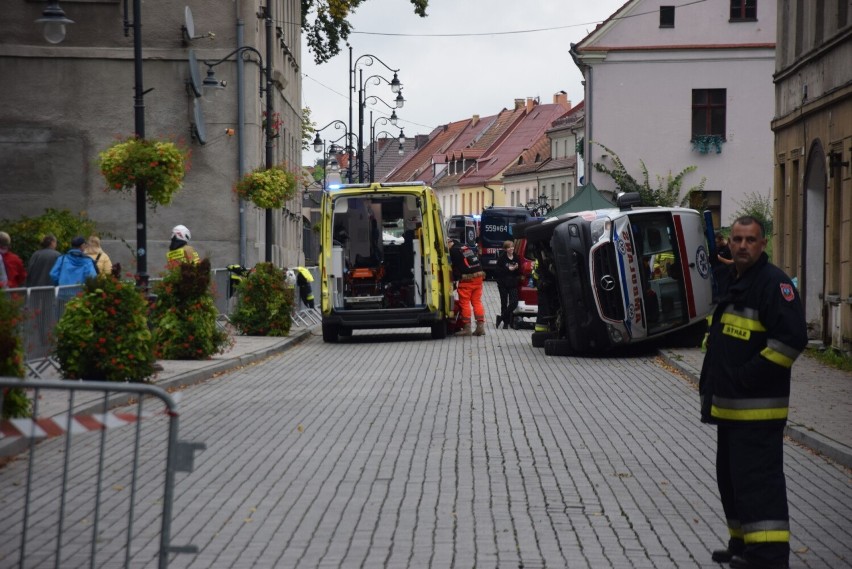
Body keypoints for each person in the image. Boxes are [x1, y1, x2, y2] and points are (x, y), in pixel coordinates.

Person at [699, 216, 807, 569]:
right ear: (729, 243)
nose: (742, 245)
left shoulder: (773, 285)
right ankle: (742, 544)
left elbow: (791, 341)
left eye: (750, 240)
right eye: (737, 239)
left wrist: (746, 377)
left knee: (759, 487)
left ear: (763, 244)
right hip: (732, 411)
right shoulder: (737, 281)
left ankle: (768, 557)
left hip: (757, 412)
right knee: (733, 484)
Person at [447, 238, 486, 336]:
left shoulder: (453, 251)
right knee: (476, 301)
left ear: (448, 243)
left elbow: (454, 266)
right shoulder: (464, 247)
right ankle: (480, 327)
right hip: (479, 276)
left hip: (467, 279)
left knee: (464, 302)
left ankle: (467, 328)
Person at [494, 240, 521, 329]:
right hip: (503, 283)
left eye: (512, 247)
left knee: (514, 302)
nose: (511, 248)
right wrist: (508, 269)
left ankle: (501, 318)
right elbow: (497, 271)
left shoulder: (516, 257)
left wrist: (516, 268)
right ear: (505, 249)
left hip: (513, 283)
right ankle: (505, 323)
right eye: (509, 247)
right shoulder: (502, 258)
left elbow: (519, 271)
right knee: (504, 303)